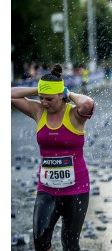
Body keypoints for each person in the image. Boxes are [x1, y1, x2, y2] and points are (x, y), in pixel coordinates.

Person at [11, 63, 95, 251]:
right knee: (40, 242)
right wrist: (39, 87)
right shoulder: (38, 111)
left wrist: (69, 93)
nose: (43, 102)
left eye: (49, 99)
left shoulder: (75, 114)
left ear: (61, 96)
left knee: (70, 244)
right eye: (41, 98)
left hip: (76, 189)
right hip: (47, 189)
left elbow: (87, 103)